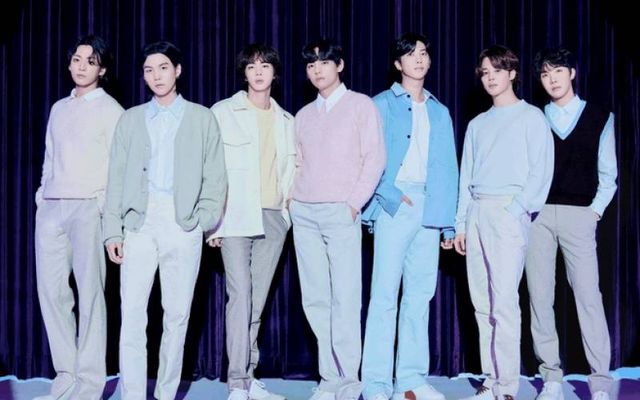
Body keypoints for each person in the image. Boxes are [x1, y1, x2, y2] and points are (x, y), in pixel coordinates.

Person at [102, 41, 227, 400]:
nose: (156, 76)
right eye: (148, 70)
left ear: (178, 70)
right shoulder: (131, 119)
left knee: (176, 316)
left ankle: (165, 393)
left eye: (163, 68)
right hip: (138, 223)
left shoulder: (202, 118)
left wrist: (202, 221)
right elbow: (115, 177)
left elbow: (216, 176)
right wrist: (112, 230)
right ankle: (132, 394)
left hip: (182, 222)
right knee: (131, 314)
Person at [360, 33, 458, 400]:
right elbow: (365, 156)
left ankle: (411, 380)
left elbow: (448, 169)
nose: (419, 59)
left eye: (423, 53)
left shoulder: (439, 111)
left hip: (430, 206)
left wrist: (447, 223)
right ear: (398, 63)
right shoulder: (380, 104)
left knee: (419, 296)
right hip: (395, 202)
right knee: (384, 295)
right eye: (410, 54)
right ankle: (376, 383)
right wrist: (389, 195)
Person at [453, 45, 554, 400]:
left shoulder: (531, 117)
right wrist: (461, 223)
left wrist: (517, 210)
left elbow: (541, 171)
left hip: (508, 211)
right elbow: (466, 177)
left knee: (505, 302)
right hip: (477, 211)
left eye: (497, 70)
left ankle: (508, 385)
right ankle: (491, 379)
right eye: (485, 72)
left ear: (512, 73)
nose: (490, 77)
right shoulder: (477, 124)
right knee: (482, 303)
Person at [289, 39, 386, 400]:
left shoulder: (361, 105)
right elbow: (297, 161)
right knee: (315, 299)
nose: (317, 70)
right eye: (311, 64)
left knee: (345, 297)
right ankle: (329, 379)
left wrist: (353, 204)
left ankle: (348, 382)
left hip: (340, 212)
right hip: (304, 212)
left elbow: (375, 158)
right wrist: (292, 200)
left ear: (339, 65)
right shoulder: (303, 115)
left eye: (324, 62)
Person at [34, 34, 124, 400]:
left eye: (90, 61)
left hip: (88, 207)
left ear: (101, 70)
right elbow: (50, 156)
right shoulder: (59, 108)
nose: (81, 66)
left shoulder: (111, 110)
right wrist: (42, 195)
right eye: (76, 59)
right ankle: (66, 377)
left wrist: (102, 205)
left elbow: (118, 166)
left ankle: (89, 384)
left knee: (90, 297)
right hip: (52, 207)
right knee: (52, 293)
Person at [525, 47, 616, 400]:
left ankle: (600, 382)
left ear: (572, 73)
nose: (552, 79)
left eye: (558, 71)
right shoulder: (534, 117)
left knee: (588, 297)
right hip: (539, 217)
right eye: (545, 74)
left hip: (580, 215)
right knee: (539, 297)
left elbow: (608, 174)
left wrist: (594, 212)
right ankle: (551, 377)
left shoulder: (599, 117)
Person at [207, 43, 296, 400]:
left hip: (273, 217)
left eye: (265, 66)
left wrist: (286, 217)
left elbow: (291, 171)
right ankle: (236, 382)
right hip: (234, 216)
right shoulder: (222, 112)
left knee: (256, 301)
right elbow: (211, 169)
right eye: (251, 66)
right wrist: (213, 223)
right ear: (243, 73)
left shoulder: (287, 120)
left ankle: (248, 375)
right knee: (240, 295)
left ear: (275, 73)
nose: (258, 72)